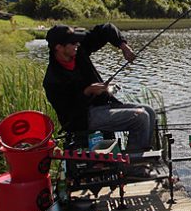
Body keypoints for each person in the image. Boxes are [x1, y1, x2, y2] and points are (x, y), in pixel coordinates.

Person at [43, 23, 155, 152]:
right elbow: (68, 112)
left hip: (102, 106)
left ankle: (140, 156)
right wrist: (87, 92)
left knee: (149, 112)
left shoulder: (79, 52)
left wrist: (123, 46)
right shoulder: (52, 80)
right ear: (59, 47)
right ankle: (135, 167)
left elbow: (106, 29)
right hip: (82, 119)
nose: (77, 45)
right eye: (73, 43)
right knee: (140, 118)